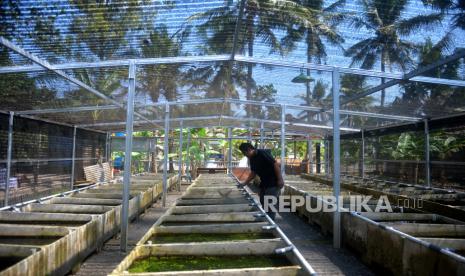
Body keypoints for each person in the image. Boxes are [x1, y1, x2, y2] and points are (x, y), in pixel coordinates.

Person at [238, 142, 284, 220]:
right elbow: (253, 172)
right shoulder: (252, 158)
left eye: (244, 153)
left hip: (273, 182)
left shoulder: (262, 153)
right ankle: (266, 218)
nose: (244, 155)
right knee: (263, 200)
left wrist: (280, 179)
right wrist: (245, 183)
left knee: (269, 204)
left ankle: (271, 223)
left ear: (249, 150)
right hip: (264, 182)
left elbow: (275, 164)